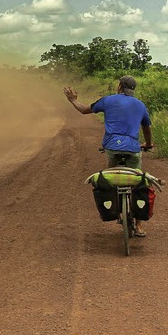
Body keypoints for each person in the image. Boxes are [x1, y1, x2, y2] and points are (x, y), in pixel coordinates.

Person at [63, 75, 153, 236]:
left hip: (112, 147)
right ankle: (139, 225)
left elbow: (84, 110)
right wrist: (148, 144)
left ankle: (112, 208)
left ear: (119, 86)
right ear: (133, 89)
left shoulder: (108, 100)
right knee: (139, 182)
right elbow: (147, 128)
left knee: (110, 179)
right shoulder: (140, 105)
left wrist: (72, 100)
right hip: (133, 148)